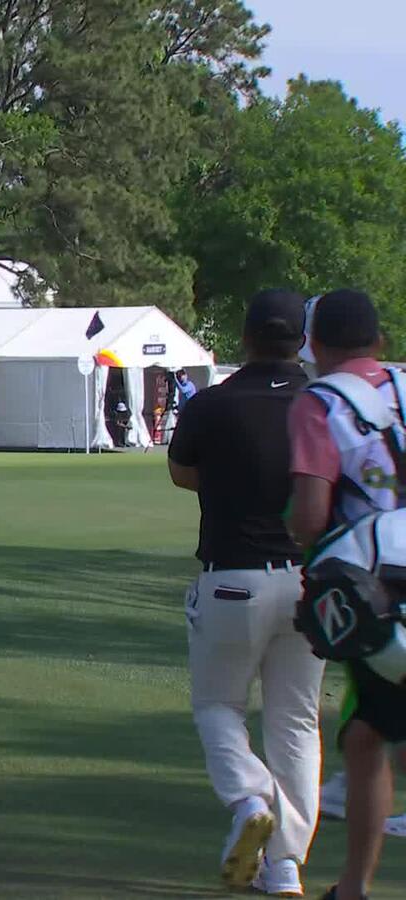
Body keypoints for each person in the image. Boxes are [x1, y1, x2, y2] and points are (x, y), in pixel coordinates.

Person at [167, 289, 319, 894]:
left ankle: (248, 799)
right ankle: (285, 866)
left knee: (218, 706)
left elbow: (182, 471)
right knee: (297, 724)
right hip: (309, 580)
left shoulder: (213, 403)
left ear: (247, 337)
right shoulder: (320, 402)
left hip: (232, 578)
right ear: (301, 342)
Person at [285, 289, 406, 900]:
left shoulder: (319, 403)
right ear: (379, 342)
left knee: (370, 734)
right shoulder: (404, 388)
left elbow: (309, 516)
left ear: (316, 345)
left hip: (375, 587)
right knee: (374, 731)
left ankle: (354, 889)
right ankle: (351, 886)